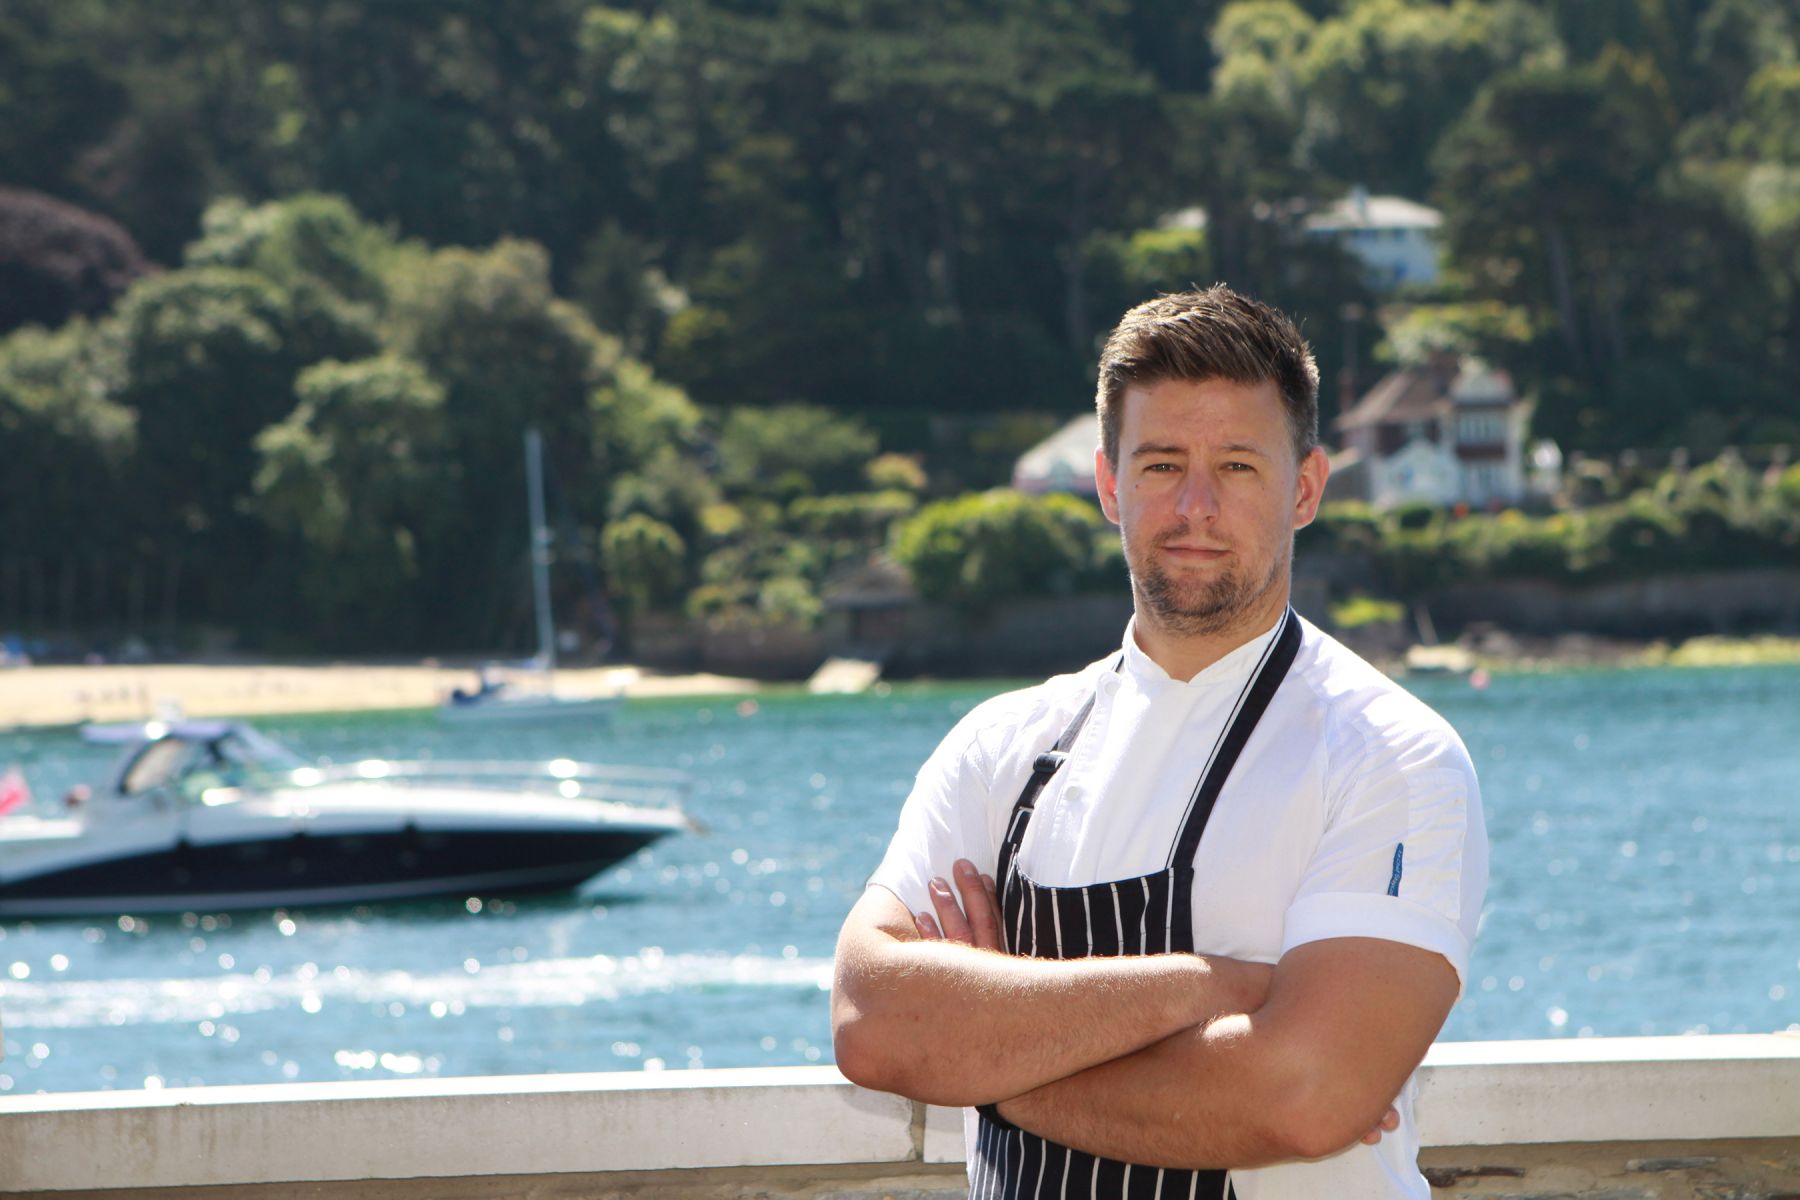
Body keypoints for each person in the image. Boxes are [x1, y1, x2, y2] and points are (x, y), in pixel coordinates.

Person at [831, 285, 1488, 1200]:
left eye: (1239, 467)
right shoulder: (1000, 748)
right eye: (1160, 464)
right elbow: (874, 1023)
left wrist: (989, 1055)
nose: (1195, 506)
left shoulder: (1392, 759)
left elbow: (1301, 1098)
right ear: (1108, 483)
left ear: (1305, 488)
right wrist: (1209, 987)